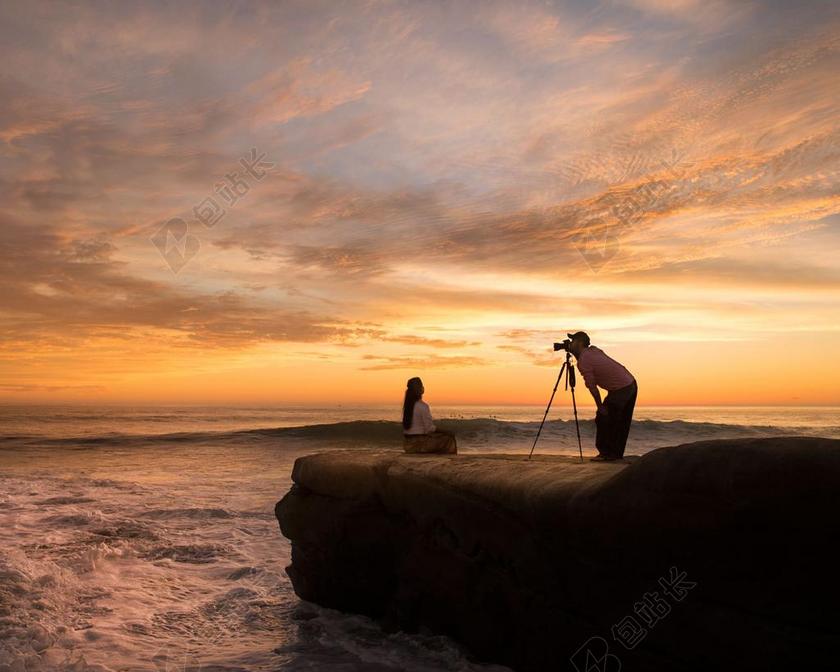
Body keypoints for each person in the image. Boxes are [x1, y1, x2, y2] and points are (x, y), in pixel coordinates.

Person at [568, 331, 637, 461]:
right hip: (630, 383)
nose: (571, 344)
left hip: (622, 389)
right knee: (620, 422)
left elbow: (592, 387)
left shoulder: (584, 359)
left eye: (573, 341)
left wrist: (600, 406)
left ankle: (606, 454)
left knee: (603, 417)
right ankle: (615, 455)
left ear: (580, 343)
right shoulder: (593, 351)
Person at [402, 377, 457, 454]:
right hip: (419, 445)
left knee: (437, 437)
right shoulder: (423, 406)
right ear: (420, 389)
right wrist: (446, 431)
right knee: (449, 438)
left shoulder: (407, 406)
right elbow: (429, 429)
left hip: (408, 445)